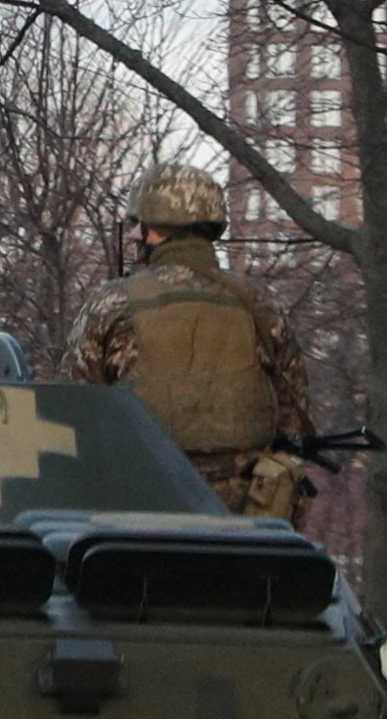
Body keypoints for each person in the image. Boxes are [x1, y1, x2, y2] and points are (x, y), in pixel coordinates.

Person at [64, 163, 317, 526]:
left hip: (138, 521)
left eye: (140, 225)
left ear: (154, 232)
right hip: (247, 526)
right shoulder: (260, 304)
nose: (134, 234)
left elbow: (74, 412)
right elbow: (295, 419)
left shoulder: (111, 304)